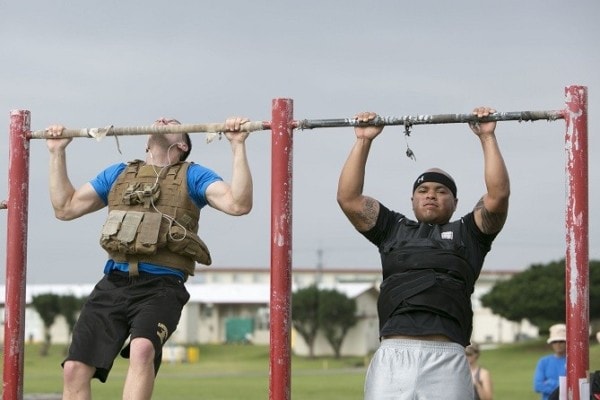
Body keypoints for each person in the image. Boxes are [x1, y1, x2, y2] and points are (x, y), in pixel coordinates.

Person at [46, 116, 253, 400]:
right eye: (161, 119)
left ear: (182, 144)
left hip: (162, 286)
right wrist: (57, 151)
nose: (164, 119)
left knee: (142, 349)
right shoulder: (119, 174)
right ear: (146, 140)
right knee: (73, 369)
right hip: (114, 281)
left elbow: (239, 203)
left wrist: (237, 146)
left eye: (174, 122)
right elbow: (65, 208)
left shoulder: (192, 175)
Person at [337, 106, 510, 399]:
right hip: (393, 354)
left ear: (455, 202)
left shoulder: (469, 234)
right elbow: (348, 198)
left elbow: (498, 196)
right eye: (424, 190)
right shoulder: (393, 229)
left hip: (447, 355)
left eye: (441, 191)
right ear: (413, 199)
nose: (431, 194)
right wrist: (364, 140)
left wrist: (487, 137)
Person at [533, 323, 567, 400]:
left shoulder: (572, 363)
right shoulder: (543, 362)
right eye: (555, 342)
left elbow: (572, 386)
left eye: (561, 341)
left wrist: (550, 382)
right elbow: (537, 386)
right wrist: (561, 386)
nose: (558, 344)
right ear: (551, 344)